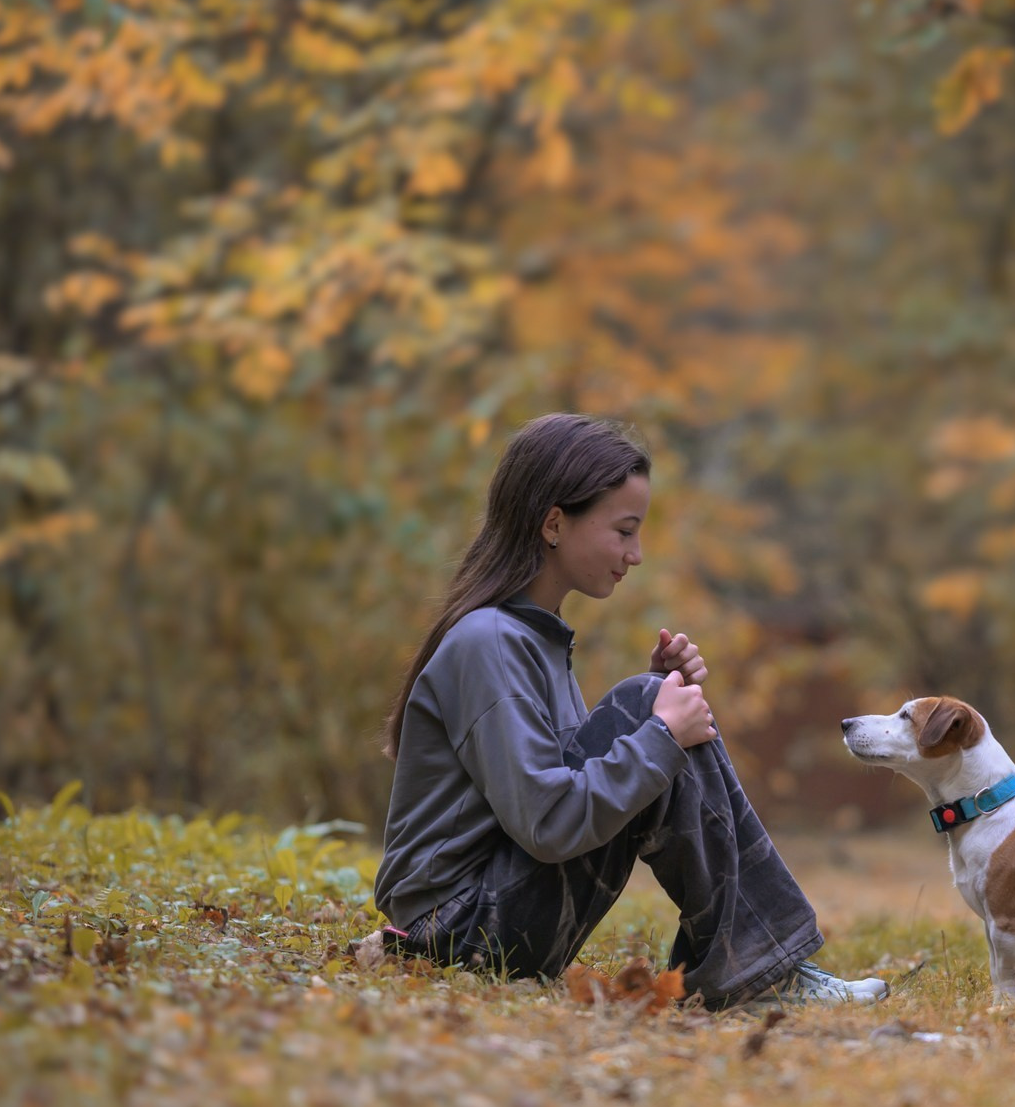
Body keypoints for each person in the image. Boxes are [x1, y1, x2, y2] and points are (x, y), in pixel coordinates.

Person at [374, 414, 887, 1008]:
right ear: (554, 523)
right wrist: (659, 728)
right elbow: (549, 823)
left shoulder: (528, 638)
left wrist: (659, 707)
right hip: (455, 934)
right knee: (647, 709)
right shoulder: (488, 640)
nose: (635, 554)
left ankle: (761, 968)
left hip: (484, 918)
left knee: (647, 703)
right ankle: (761, 972)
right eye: (623, 531)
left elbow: (564, 787)